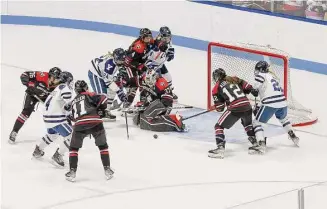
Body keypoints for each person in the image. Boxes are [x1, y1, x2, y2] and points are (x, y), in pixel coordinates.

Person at [65, 80, 114, 182]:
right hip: (95, 122)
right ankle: (107, 169)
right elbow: (104, 98)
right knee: (103, 146)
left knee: (73, 149)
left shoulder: (73, 101)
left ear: (76, 90)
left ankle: (72, 172)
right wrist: (101, 109)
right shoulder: (90, 94)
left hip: (79, 125)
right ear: (86, 88)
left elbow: (71, 118)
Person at [208, 68, 260, 159]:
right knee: (247, 124)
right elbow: (248, 88)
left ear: (216, 78)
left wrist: (218, 105)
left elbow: (220, 108)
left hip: (235, 108)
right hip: (247, 106)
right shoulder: (234, 79)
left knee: (218, 126)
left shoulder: (216, 87)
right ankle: (256, 143)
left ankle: (220, 148)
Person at [252, 61, 300, 153]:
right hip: (282, 102)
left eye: (258, 69)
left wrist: (253, 90)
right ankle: (293, 136)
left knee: (256, 123)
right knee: (284, 120)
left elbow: (255, 89)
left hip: (270, 103)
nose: (256, 71)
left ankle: (261, 144)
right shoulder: (273, 77)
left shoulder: (261, 75)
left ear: (261, 70)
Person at [9, 67, 62, 144]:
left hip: (44, 97)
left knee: (55, 111)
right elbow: (24, 75)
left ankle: (59, 130)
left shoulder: (58, 85)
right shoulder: (42, 75)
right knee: (26, 112)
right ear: (50, 76)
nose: (56, 81)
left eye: (58, 79)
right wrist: (28, 83)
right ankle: (14, 132)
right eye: (55, 78)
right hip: (32, 95)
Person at [32, 71, 74, 167]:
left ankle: (38, 150)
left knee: (52, 135)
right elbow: (68, 104)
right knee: (72, 137)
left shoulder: (57, 89)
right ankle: (58, 156)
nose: (72, 82)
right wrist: (71, 113)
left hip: (47, 117)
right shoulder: (65, 88)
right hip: (56, 118)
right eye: (70, 80)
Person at [88, 48, 128, 120]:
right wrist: (119, 92)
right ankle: (98, 112)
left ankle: (106, 110)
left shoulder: (117, 60)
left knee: (111, 91)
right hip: (95, 74)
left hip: (103, 73)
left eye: (123, 59)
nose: (122, 61)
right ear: (116, 58)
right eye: (120, 60)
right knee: (102, 95)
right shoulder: (110, 65)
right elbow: (109, 82)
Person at [123, 28, 154, 108]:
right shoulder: (138, 47)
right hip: (130, 67)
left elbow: (156, 41)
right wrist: (140, 66)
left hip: (140, 66)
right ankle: (126, 105)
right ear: (142, 37)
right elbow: (128, 62)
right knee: (134, 85)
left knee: (145, 83)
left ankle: (143, 102)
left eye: (149, 37)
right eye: (147, 37)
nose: (149, 39)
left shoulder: (148, 41)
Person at [146, 26, 177, 100]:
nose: (168, 39)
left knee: (168, 78)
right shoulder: (156, 42)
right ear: (161, 36)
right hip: (152, 64)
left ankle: (169, 92)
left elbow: (169, 56)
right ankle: (154, 96)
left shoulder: (168, 41)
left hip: (160, 63)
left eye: (169, 37)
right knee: (156, 80)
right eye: (166, 38)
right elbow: (154, 53)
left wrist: (170, 55)